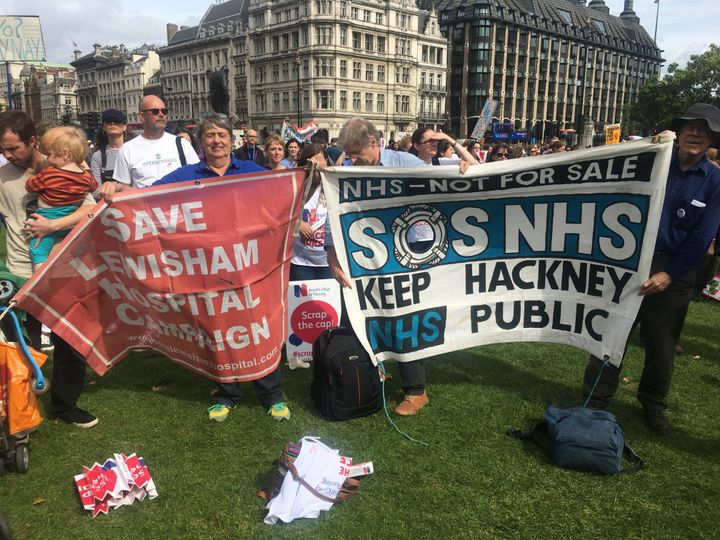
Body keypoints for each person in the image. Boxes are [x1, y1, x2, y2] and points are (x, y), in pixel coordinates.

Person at [101, 113, 291, 422]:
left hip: (249, 267)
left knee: (257, 329)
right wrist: (118, 190)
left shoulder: (251, 171)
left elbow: (283, 194)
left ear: (232, 140)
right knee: (217, 331)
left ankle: (272, 394)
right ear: (201, 142)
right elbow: (148, 196)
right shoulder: (186, 175)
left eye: (222, 135)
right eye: (210, 135)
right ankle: (228, 393)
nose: (217, 140)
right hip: (208, 269)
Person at [582, 103, 720, 434]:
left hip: (676, 268)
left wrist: (669, 274)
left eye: (704, 129)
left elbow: (703, 236)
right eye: (690, 127)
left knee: (662, 344)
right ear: (679, 130)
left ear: (712, 138)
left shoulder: (715, 181)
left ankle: (653, 405)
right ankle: (595, 398)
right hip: (629, 261)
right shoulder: (652, 159)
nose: (696, 133)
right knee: (611, 333)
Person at [325, 117, 433, 416]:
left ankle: (415, 390)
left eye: (356, 152)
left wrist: (461, 168)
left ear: (374, 142)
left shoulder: (406, 163)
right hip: (361, 259)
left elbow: (444, 184)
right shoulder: (345, 175)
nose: (352, 159)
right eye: (348, 153)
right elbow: (331, 220)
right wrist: (333, 262)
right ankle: (369, 372)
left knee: (404, 319)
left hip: (405, 254)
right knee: (360, 317)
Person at [0, 110, 98, 428]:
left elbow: (89, 209)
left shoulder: (63, 164)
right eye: (2, 149)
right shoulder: (2, 178)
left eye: (13, 148)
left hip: (63, 266)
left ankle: (64, 405)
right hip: (20, 269)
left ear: (32, 142)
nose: (7, 154)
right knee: (21, 344)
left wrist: (54, 224)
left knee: (69, 342)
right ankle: (22, 406)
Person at [25, 127, 98, 267]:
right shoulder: (86, 177)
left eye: (50, 154)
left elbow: (30, 186)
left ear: (65, 153)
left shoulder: (49, 174)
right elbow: (93, 186)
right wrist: (85, 168)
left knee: (38, 250)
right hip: (70, 219)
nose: (48, 158)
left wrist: (36, 176)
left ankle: (41, 279)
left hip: (48, 216)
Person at [111, 95, 199, 188]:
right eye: (155, 111)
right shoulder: (127, 149)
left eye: (164, 111)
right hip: (144, 202)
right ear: (142, 116)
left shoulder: (182, 144)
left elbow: (198, 179)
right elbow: (123, 190)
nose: (161, 115)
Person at [290, 144, 331, 281]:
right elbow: (284, 211)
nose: (317, 167)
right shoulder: (296, 186)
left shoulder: (333, 186)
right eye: (313, 164)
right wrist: (298, 222)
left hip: (327, 262)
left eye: (320, 163)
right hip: (301, 261)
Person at [90, 109, 131, 187]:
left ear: (124, 127)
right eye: (108, 121)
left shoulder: (134, 151)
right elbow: (95, 190)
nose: (112, 123)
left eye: (117, 121)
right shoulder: (98, 156)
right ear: (103, 127)